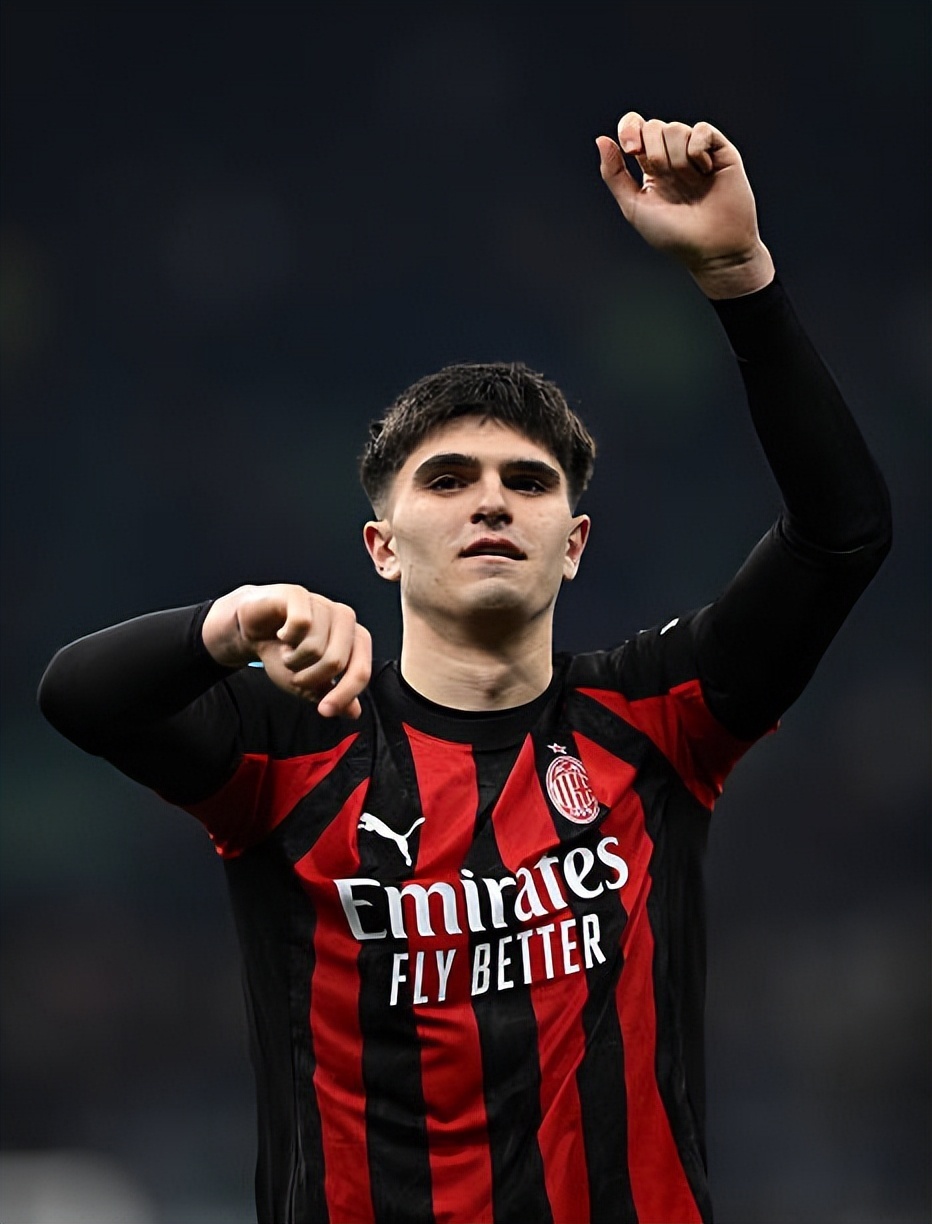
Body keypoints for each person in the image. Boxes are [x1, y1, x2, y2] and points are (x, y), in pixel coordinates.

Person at [38, 112, 891, 1224]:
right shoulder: (295, 741)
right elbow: (77, 697)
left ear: (573, 544)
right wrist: (226, 624)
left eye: (527, 483)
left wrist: (739, 278)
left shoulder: (656, 715)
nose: (490, 500)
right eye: (446, 480)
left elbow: (841, 536)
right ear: (381, 548)